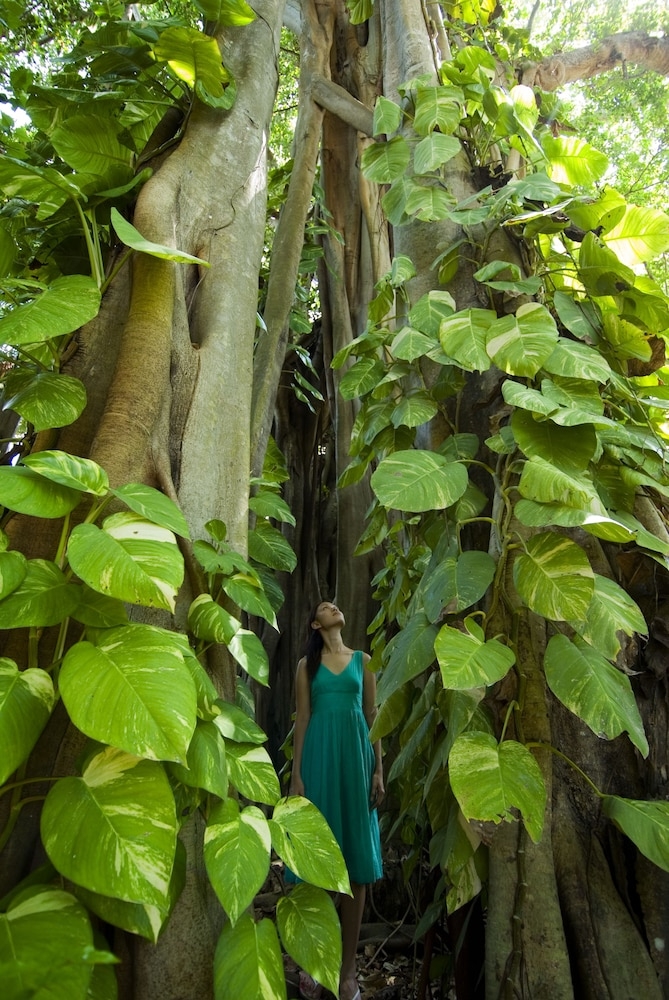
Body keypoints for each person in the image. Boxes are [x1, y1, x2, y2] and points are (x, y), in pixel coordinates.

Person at [288, 600, 384, 1000]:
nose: (334, 606)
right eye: (325, 607)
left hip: (356, 763)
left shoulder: (364, 661)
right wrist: (296, 776)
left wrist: (379, 770)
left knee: (356, 867)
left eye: (336, 604)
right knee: (317, 865)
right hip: (320, 761)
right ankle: (314, 962)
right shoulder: (305, 667)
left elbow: (373, 714)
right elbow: (304, 719)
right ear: (316, 623)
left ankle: (347, 972)